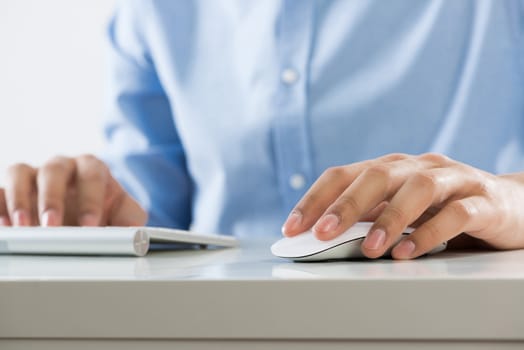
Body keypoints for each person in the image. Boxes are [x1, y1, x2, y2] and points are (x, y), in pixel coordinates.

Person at [1, 0, 524, 260]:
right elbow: (156, 219)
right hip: (209, 330)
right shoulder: (155, 13)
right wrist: (90, 216)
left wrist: (509, 199)